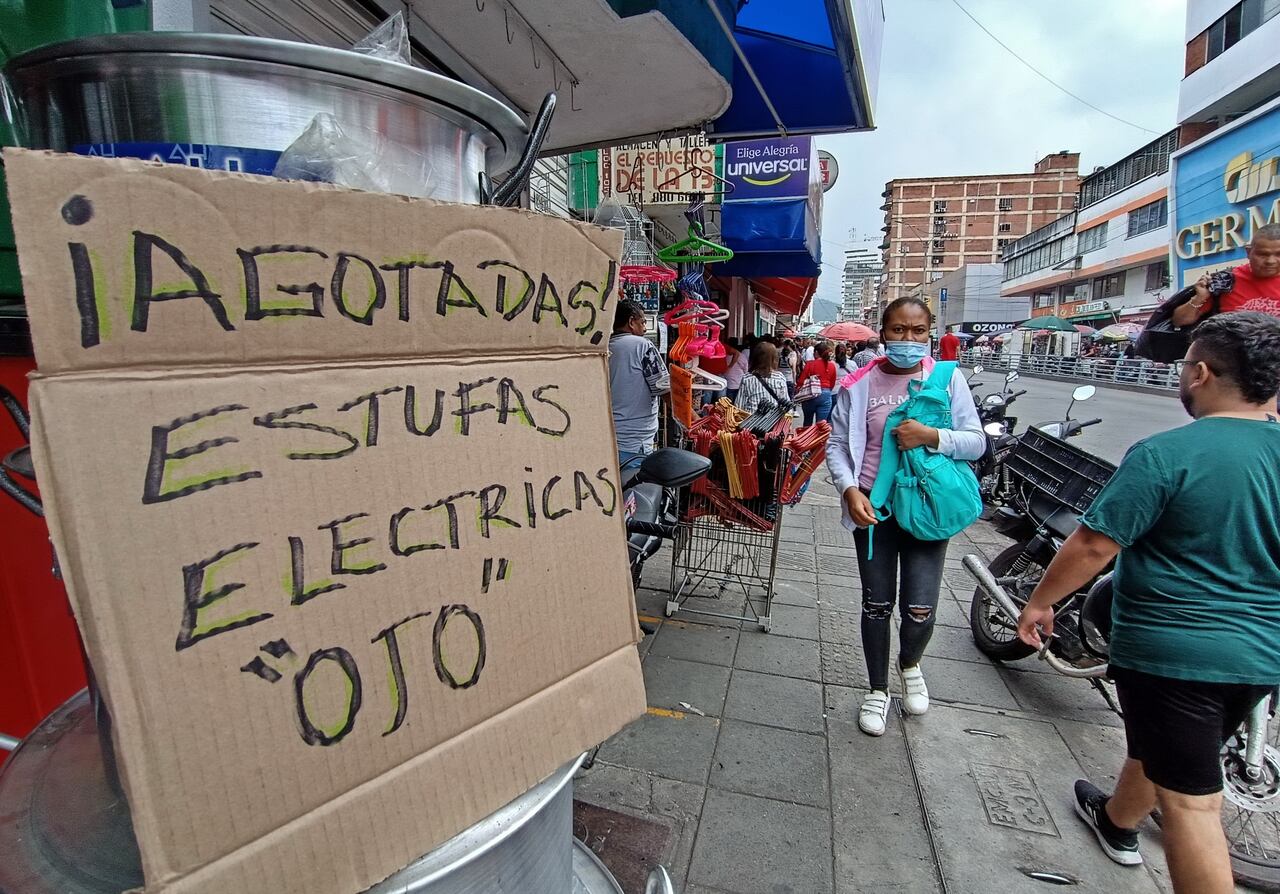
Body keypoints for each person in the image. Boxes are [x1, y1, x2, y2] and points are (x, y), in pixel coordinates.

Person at [1016, 312, 1280, 891]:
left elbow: (1091, 545)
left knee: (1193, 808)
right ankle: (1117, 821)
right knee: (1170, 746)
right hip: (1261, 657)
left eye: (1185, 366)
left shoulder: (1166, 454)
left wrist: (1039, 602)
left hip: (1175, 654)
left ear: (1202, 373)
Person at [826, 297, 984, 737]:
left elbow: (976, 442)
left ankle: (910, 664)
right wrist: (849, 488)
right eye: (898, 329)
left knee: (920, 608)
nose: (908, 339)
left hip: (929, 508)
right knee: (876, 604)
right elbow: (837, 446)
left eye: (918, 331)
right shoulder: (857, 384)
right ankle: (877, 689)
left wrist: (932, 436)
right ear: (882, 331)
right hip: (874, 511)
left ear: (930, 333)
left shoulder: (948, 380)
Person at [1172, 223, 1280, 327]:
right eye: (1263, 254)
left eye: (1278, 254)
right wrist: (1199, 298)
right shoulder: (1225, 281)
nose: (1270, 261)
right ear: (1248, 252)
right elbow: (1179, 321)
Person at [609, 299, 669, 472]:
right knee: (634, 495)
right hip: (635, 443)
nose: (644, 329)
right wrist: (691, 419)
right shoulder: (642, 346)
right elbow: (663, 388)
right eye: (642, 322)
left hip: (610, 439)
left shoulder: (605, 348)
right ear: (631, 322)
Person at [735, 341, 790, 416]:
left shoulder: (747, 378)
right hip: (774, 421)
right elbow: (785, 402)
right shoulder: (779, 377)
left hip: (750, 423)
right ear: (774, 358)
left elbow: (739, 406)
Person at [798, 341, 839, 427]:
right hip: (825, 395)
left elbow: (801, 381)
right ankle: (820, 440)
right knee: (821, 425)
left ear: (816, 352)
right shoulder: (831, 365)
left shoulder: (810, 364)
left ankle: (806, 439)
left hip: (810, 395)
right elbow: (832, 382)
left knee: (807, 422)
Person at [723, 337, 749, 401]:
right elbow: (746, 370)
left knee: (729, 406)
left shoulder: (724, 356)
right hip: (739, 384)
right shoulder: (742, 356)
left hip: (728, 384)